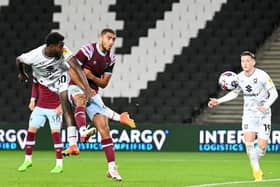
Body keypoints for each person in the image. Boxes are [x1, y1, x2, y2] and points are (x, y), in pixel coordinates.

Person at [16, 32, 96, 156]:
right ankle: (77, 137)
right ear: (52, 46)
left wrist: (87, 88)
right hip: (46, 82)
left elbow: (77, 67)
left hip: (61, 79)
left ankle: (74, 142)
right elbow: (19, 59)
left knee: (69, 103)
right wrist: (22, 73)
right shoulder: (34, 56)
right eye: (60, 45)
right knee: (68, 104)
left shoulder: (63, 51)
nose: (63, 47)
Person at [208, 51, 278, 181]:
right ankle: (257, 172)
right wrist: (219, 101)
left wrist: (266, 105)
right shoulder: (238, 78)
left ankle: (256, 159)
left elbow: (274, 94)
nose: (244, 64)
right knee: (249, 144)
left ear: (253, 62)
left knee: (262, 148)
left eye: (247, 61)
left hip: (264, 114)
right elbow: (235, 93)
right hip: (249, 114)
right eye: (242, 61)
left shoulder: (262, 75)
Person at [65, 28, 123, 181]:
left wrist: (91, 78)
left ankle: (111, 168)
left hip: (93, 92)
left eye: (113, 39)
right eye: (109, 38)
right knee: (81, 98)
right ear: (101, 38)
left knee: (104, 128)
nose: (111, 42)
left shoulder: (111, 58)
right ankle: (83, 131)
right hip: (76, 86)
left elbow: (104, 83)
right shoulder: (87, 50)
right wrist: (85, 87)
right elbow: (71, 70)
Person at [17, 78, 64, 173]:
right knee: (30, 132)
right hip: (40, 107)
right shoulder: (37, 70)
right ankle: (27, 160)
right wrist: (32, 99)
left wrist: (62, 105)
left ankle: (59, 165)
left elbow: (67, 89)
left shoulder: (60, 70)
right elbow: (35, 84)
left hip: (55, 108)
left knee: (55, 135)